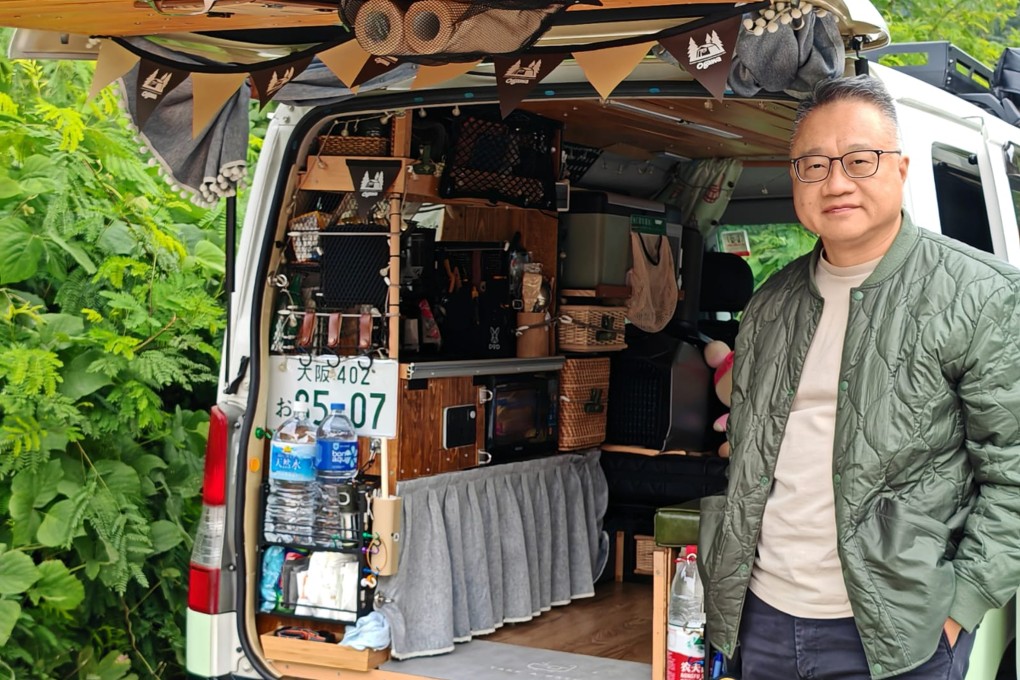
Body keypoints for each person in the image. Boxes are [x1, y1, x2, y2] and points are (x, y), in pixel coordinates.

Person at [698, 74, 1020, 679]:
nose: (836, 181)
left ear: (900, 169)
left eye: (859, 160)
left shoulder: (984, 296)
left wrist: (962, 605)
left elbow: (1014, 471)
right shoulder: (771, 303)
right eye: (813, 165)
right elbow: (749, 450)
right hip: (762, 615)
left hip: (905, 631)